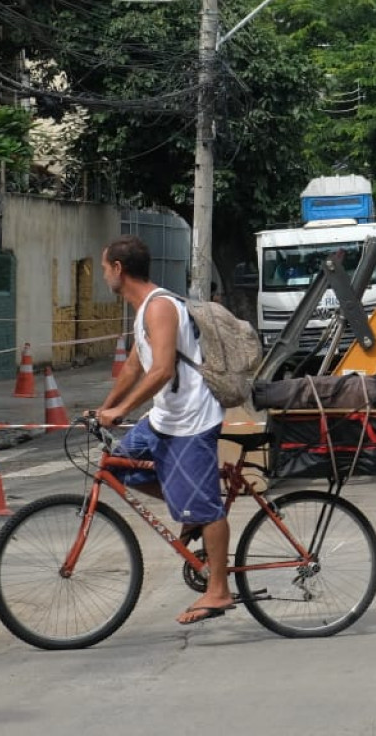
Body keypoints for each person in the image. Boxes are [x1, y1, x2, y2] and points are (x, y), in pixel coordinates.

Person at [95, 235, 232, 624]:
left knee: (206, 506)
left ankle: (219, 590)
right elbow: (134, 368)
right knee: (117, 466)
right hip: (163, 419)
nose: (104, 275)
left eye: (105, 268)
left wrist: (122, 409)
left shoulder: (160, 308)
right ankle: (188, 508)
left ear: (119, 269)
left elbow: (162, 370)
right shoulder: (142, 312)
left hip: (191, 419)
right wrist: (104, 408)